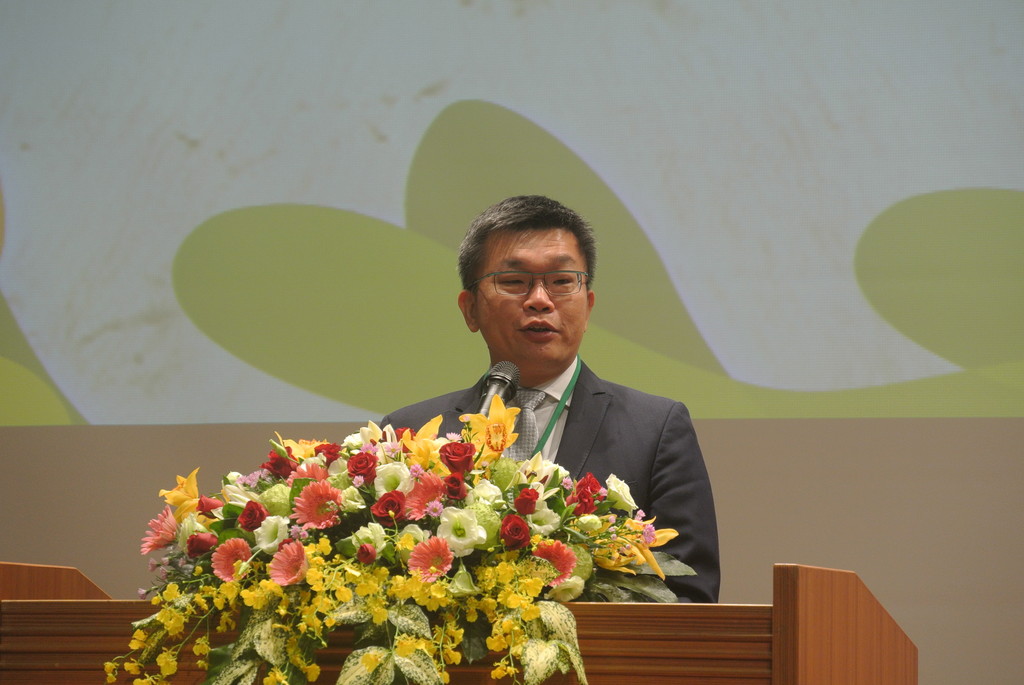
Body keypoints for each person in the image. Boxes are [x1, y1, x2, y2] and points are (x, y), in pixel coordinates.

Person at [381, 195, 720, 603]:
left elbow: (690, 596)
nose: (539, 299)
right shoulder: (406, 435)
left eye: (561, 281)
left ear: (588, 305)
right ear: (470, 310)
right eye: (513, 281)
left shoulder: (655, 429)